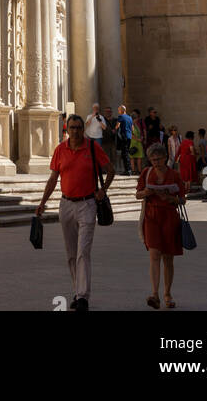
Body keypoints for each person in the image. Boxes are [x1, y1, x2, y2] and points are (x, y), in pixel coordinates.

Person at [37, 112, 115, 312]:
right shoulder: (60, 150)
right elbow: (53, 178)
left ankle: (82, 296)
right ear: (67, 129)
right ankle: (77, 290)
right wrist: (43, 202)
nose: (75, 131)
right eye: (72, 128)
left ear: (83, 129)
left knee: (83, 252)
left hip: (87, 204)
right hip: (66, 205)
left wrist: (102, 190)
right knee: (71, 254)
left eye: (79, 128)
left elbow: (111, 169)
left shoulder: (92, 147)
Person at [136, 141, 185, 310]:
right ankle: (155, 294)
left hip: (169, 216)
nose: (156, 162)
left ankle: (167, 293)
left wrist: (171, 198)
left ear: (165, 158)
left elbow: (182, 199)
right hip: (151, 217)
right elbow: (138, 194)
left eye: (159, 159)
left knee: (168, 257)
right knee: (154, 254)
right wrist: (146, 193)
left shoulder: (174, 175)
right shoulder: (146, 172)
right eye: (153, 159)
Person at [114, 105, 133, 175]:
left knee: (125, 154)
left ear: (121, 110)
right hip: (129, 137)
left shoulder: (121, 117)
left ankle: (128, 170)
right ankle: (128, 169)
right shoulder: (130, 118)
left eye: (119, 110)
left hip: (124, 137)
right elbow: (132, 128)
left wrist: (115, 129)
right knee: (126, 153)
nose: (118, 111)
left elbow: (117, 126)